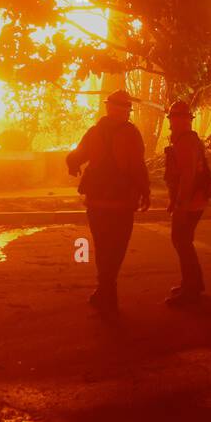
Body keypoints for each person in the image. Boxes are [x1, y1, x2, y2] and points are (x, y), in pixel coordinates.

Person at [66, 90, 151, 314]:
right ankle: (108, 291)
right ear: (124, 111)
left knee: (103, 247)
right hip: (122, 204)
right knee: (116, 248)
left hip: (96, 203)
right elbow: (137, 167)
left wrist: (72, 165)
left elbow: (76, 155)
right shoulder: (131, 134)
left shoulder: (94, 132)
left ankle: (105, 290)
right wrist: (145, 192)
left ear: (108, 108)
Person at [163, 100, 210, 304]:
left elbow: (187, 176)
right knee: (184, 242)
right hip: (192, 200)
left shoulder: (185, 142)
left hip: (190, 202)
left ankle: (191, 289)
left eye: (173, 118)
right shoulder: (186, 140)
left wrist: (181, 206)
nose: (171, 123)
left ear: (180, 120)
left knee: (181, 241)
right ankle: (193, 283)